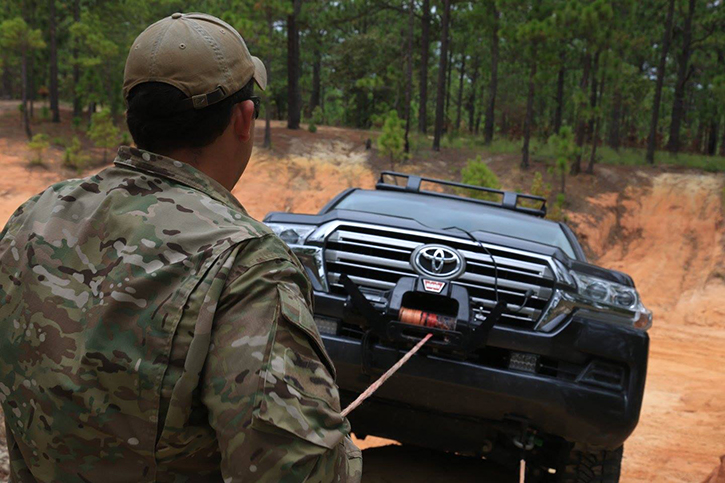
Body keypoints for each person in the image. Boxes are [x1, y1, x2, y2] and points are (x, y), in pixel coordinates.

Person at [0, 12, 361, 483]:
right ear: (244, 119)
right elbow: (293, 471)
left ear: (136, 115)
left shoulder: (35, 215)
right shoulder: (247, 263)